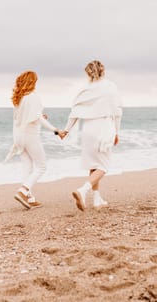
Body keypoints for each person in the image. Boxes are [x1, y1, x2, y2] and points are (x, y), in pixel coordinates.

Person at [59, 60, 122, 211]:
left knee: (94, 164)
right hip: (104, 126)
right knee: (103, 166)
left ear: (88, 73)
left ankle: (97, 200)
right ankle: (83, 190)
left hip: (87, 129)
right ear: (103, 71)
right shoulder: (110, 87)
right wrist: (117, 132)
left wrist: (66, 130)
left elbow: (74, 112)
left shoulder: (85, 89)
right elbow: (117, 112)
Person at [5, 70, 63, 209]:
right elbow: (37, 118)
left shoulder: (19, 98)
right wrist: (56, 131)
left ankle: (30, 199)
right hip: (30, 136)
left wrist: (41, 116)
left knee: (28, 166)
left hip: (18, 136)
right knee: (42, 166)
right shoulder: (33, 97)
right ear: (32, 82)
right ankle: (23, 190)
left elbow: (27, 117)